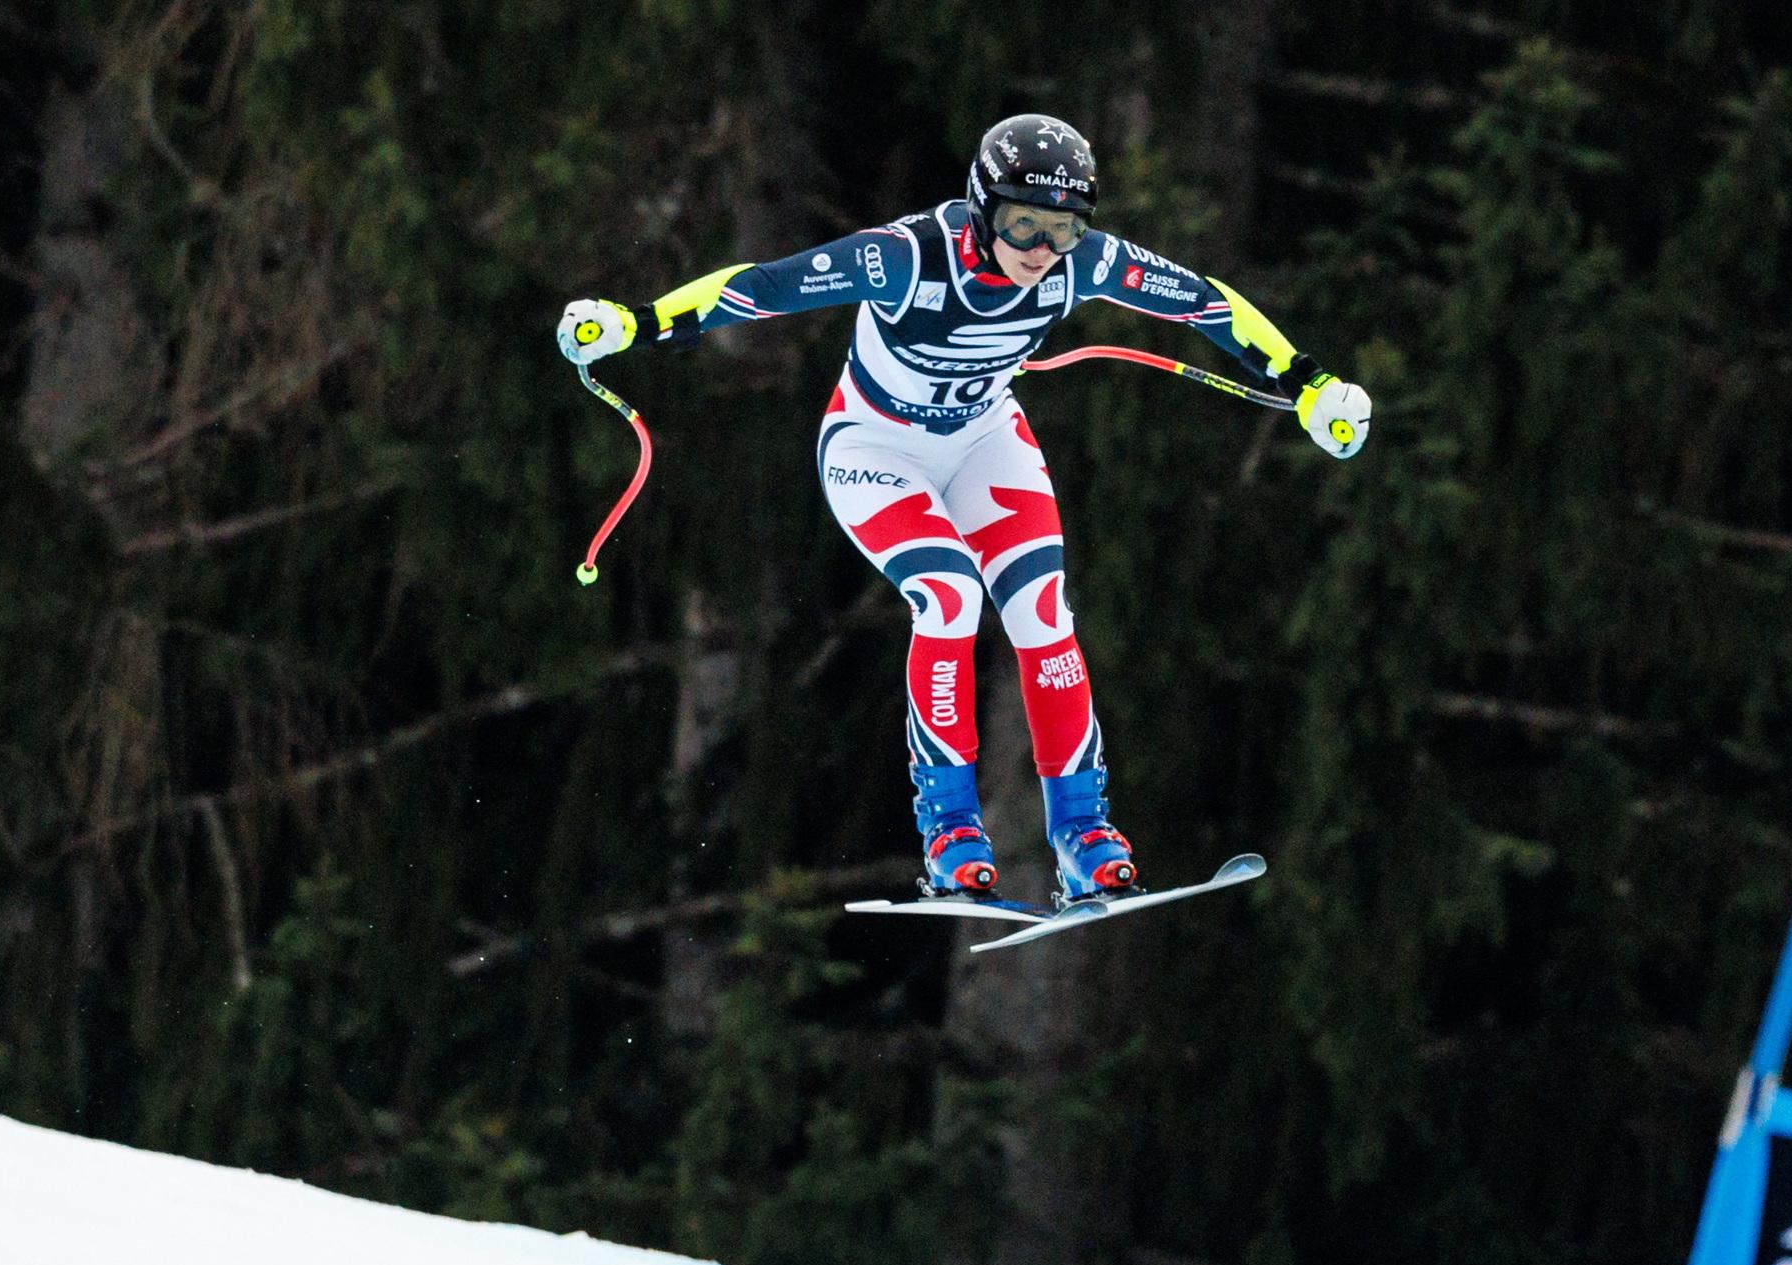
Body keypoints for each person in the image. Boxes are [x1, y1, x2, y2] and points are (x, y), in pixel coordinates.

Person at [557, 113, 1372, 906]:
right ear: (983, 210)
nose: (1041, 253)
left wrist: (1308, 384)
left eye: (1063, 231)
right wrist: (634, 323)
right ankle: (950, 831)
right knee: (949, 596)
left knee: (1043, 612)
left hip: (986, 439)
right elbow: (762, 288)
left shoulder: (1079, 263)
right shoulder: (905, 258)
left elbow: (1206, 301)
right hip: (875, 451)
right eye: (1022, 227)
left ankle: (1084, 834)